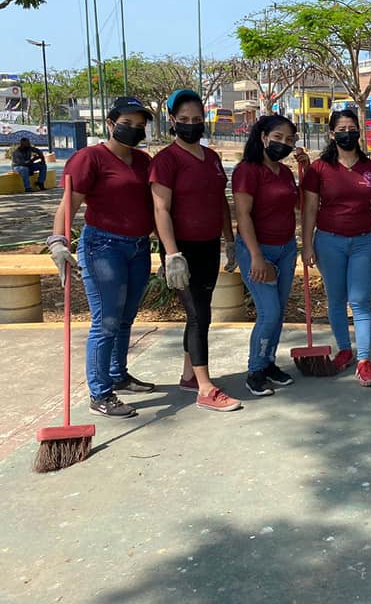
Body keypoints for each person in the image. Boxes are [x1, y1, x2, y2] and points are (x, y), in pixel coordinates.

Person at [46, 97, 155, 418]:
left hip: (138, 247)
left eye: (139, 125)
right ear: (110, 123)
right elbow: (69, 204)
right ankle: (100, 392)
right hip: (104, 248)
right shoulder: (90, 158)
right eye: (127, 123)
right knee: (106, 321)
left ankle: (118, 374)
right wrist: (58, 241)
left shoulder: (143, 161)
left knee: (126, 317)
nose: (134, 129)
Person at [150, 89, 241, 412]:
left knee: (200, 313)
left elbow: (220, 202)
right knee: (198, 315)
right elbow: (160, 209)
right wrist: (172, 254)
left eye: (197, 119)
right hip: (181, 250)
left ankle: (189, 375)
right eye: (184, 119)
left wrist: (229, 240)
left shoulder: (212, 158)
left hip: (208, 246)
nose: (191, 124)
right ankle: (205, 388)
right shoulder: (166, 160)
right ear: (172, 120)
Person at [302, 108, 371, 387]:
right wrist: (306, 244)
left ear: (359, 132)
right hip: (328, 242)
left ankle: (364, 360)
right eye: (341, 129)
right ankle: (344, 350)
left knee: (360, 300)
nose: (347, 134)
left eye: (352, 129)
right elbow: (309, 208)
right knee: (336, 299)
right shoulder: (319, 168)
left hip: (363, 242)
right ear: (331, 134)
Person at [233, 114, 309, 397]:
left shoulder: (285, 173)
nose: (283, 144)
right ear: (263, 137)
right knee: (269, 312)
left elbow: (300, 204)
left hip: (285, 249)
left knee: (278, 312)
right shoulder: (247, 171)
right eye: (277, 137)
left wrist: (306, 169)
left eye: (289, 139)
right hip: (257, 249)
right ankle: (255, 370)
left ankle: (268, 363)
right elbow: (243, 215)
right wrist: (256, 256)